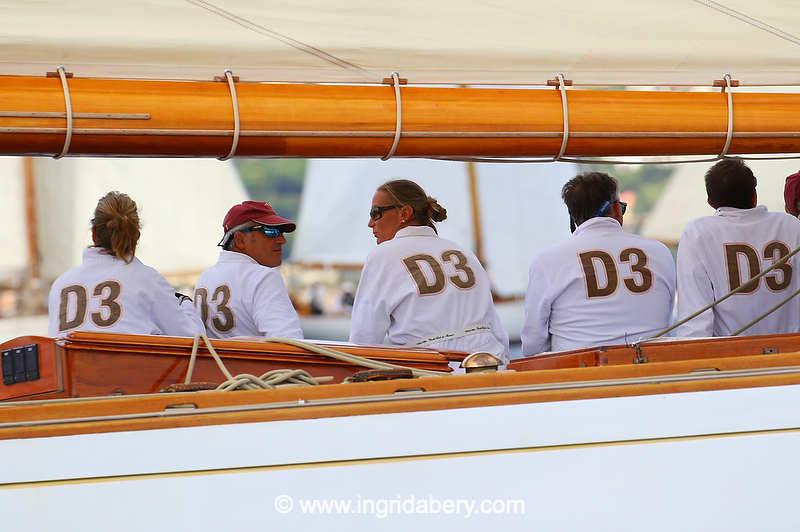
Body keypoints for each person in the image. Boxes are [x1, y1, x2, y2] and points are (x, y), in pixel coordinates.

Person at [348, 179, 509, 361]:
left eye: (376, 213)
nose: (370, 223)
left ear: (405, 213)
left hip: (433, 369)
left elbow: (364, 339)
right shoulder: (464, 253)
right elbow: (496, 329)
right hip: (490, 363)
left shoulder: (382, 256)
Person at [521, 172, 676, 355]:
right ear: (617, 210)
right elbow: (665, 319)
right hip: (652, 370)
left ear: (574, 217)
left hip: (581, 376)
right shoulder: (659, 252)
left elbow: (533, 346)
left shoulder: (547, 261)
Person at [48, 191, 204, 337]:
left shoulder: (60, 286)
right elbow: (193, 337)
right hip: (132, 367)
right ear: (137, 236)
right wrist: (186, 304)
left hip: (75, 366)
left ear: (94, 234)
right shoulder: (148, 280)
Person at [676, 158, 800, 337]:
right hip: (791, 352)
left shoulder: (698, 232)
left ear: (711, 202)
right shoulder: (791, 225)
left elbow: (695, 319)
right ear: (754, 196)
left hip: (734, 357)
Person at [195, 200, 303, 339]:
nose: (282, 240)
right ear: (240, 240)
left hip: (214, 361)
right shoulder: (264, 277)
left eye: (280, 232)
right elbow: (291, 344)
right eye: (270, 231)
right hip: (250, 361)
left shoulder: (205, 277)